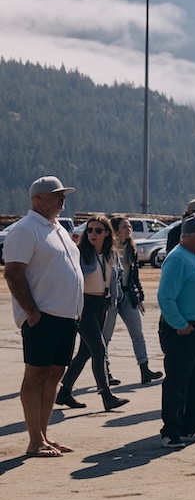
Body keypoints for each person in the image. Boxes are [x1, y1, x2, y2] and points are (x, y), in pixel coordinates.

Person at [6, 176, 87, 457]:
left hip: (66, 315)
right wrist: (31, 312)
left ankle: (43, 436)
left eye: (63, 193)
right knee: (36, 375)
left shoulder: (58, 229)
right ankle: (34, 440)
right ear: (38, 198)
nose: (62, 198)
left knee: (54, 374)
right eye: (56, 194)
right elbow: (13, 272)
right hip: (43, 315)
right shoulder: (25, 229)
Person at [155, 215, 195, 447]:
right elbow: (165, 297)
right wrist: (180, 325)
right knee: (177, 382)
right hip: (183, 329)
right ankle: (170, 430)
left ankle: (192, 426)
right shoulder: (178, 259)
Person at [55, 216, 129, 411]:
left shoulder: (111, 254)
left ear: (106, 233)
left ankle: (64, 392)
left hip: (102, 304)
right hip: (84, 306)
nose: (92, 234)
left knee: (85, 352)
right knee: (99, 348)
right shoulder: (80, 254)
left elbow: (115, 278)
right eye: (89, 231)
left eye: (97, 230)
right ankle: (106, 395)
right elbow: (71, 283)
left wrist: (115, 299)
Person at [106, 216, 158, 384]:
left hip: (128, 295)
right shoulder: (108, 249)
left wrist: (140, 297)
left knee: (137, 334)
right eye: (124, 227)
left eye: (129, 226)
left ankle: (145, 369)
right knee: (105, 336)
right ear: (115, 230)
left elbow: (135, 276)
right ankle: (105, 372)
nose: (128, 229)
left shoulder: (130, 249)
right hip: (111, 297)